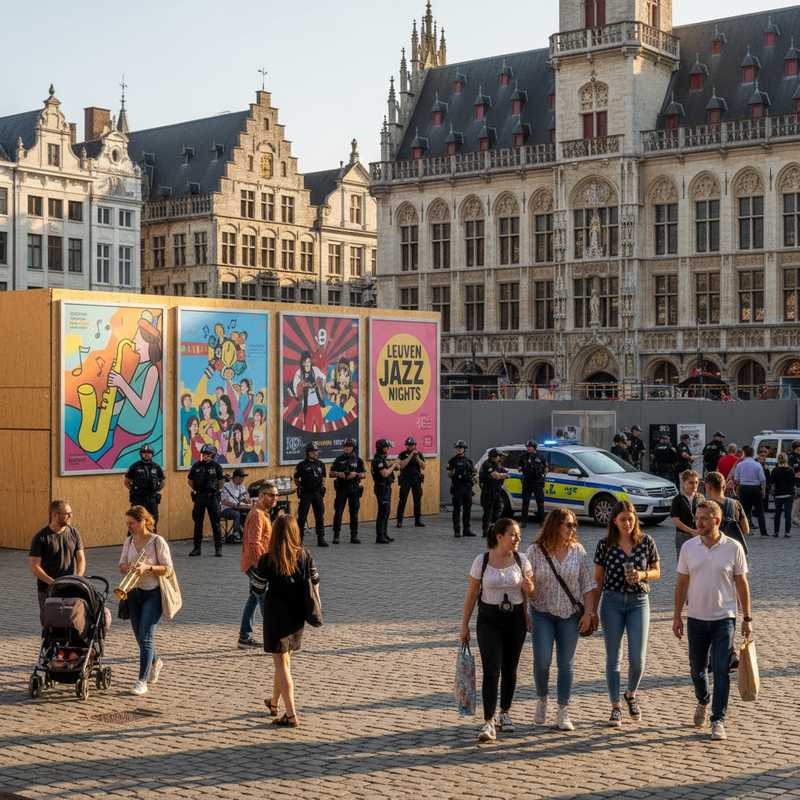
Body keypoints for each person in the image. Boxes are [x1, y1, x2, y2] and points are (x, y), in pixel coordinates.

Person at [673, 500, 752, 741]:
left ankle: (718, 719)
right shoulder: (689, 547)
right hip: (696, 618)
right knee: (697, 670)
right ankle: (702, 700)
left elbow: (742, 583)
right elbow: (682, 583)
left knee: (721, 670)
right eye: (697, 518)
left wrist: (747, 617)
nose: (698, 522)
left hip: (723, 619)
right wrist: (677, 615)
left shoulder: (733, 548)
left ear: (716, 521)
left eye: (703, 519)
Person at [459, 518, 534, 743]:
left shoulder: (522, 560)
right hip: (488, 620)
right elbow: (472, 594)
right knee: (492, 669)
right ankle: (488, 720)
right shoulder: (481, 561)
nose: (517, 539)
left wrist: (530, 592)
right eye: (513, 534)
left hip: (515, 620)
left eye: (518, 534)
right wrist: (464, 624)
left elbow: (530, 592)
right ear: (499, 537)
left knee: (510, 668)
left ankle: (505, 712)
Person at [526, 508, 596, 731]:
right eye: (569, 524)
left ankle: (563, 710)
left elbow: (587, 584)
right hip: (542, 612)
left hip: (569, 615)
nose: (573, 529)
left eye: (574, 525)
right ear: (555, 525)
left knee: (565, 664)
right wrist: (528, 597)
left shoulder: (578, 551)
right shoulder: (535, 551)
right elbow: (525, 584)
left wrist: (589, 612)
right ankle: (542, 698)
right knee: (542, 661)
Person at [594, 502, 660, 727]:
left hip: (639, 601)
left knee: (638, 659)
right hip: (612, 601)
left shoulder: (646, 541)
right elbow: (598, 580)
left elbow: (657, 571)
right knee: (613, 657)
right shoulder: (605, 544)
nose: (628, 523)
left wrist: (642, 575)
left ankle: (630, 693)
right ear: (614, 521)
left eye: (631, 519)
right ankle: (614, 706)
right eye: (623, 519)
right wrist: (591, 610)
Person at [251, 515, 320, 728]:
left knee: (281, 664)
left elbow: (258, 588)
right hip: (297, 615)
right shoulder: (304, 555)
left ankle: (291, 715)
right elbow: (316, 582)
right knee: (284, 661)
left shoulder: (267, 558)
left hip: (276, 614)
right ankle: (273, 703)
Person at [118, 505, 173, 696]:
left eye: (132, 523)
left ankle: (142, 680)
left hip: (153, 593)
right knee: (139, 636)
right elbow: (121, 564)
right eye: (127, 524)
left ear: (143, 521)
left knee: (146, 635)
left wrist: (148, 567)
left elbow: (167, 569)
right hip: (133, 592)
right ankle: (156, 661)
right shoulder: (128, 541)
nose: (129, 527)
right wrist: (129, 567)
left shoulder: (157, 541)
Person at [29, 501, 85, 623]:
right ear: (54, 515)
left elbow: (81, 558)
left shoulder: (74, 533)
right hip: (48, 589)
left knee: (70, 622)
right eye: (67, 514)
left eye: (71, 513)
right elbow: (35, 566)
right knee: (49, 624)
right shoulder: (41, 537)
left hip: (70, 587)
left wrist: (78, 578)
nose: (71, 516)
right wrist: (53, 582)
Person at [238, 483, 278, 649]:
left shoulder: (263, 513)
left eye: (276, 495)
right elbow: (254, 544)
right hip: (257, 565)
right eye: (271, 495)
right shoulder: (257, 516)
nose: (275, 498)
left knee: (253, 598)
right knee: (265, 600)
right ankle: (273, 638)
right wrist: (263, 567)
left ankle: (244, 637)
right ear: (261, 496)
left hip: (255, 563)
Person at [188, 443, 225, 557]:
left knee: (216, 524)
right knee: (198, 523)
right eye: (204, 454)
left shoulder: (217, 467)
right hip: (200, 497)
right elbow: (190, 480)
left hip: (212, 497)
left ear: (213, 455)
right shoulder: (196, 466)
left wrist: (214, 491)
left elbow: (221, 482)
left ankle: (218, 549)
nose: (205, 456)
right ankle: (196, 548)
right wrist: (197, 490)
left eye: (208, 454)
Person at [703, 472, 750, 553]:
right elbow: (746, 530)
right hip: (734, 549)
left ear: (708, 487)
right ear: (724, 486)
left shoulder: (705, 507)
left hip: (714, 550)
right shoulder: (736, 504)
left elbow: (701, 532)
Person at [330, 438, 366, 544]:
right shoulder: (338, 459)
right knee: (338, 512)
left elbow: (363, 474)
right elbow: (331, 473)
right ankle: (336, 536)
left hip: (354, 488)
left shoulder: (358, 460)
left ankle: (354, 536)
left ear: (353, 448)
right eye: (345, 446)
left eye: (349, 446)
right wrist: (338, 474)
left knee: (354, 513)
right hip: (341, 489)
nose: (347, 448)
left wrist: (355, 474)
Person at [294, 443, 328, 547]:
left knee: (320, 516)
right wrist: (301, 486)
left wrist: (322, 486)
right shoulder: (302, 465)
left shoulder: (321, 464)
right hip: (306, 494)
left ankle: (321, 538)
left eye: (316, 451)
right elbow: (296, 478)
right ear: (308, 452)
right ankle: (299, 540)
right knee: (302, 517)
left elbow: (323, 478)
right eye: (313, 451)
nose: (315, 453)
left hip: (317, 493)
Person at [124, 445, 165, 524]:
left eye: (149, 453)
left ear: (152, 454)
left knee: (152, 523)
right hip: (138, 500)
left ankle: (151, 537)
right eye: (144, 453)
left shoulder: (156, 467)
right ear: (141, 454)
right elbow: (126, 482)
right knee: (136, 522)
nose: (146, 454)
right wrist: (134, 491)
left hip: (152, 500)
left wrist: (155, 490)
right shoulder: (134, 466)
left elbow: (162, 482)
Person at [733, 445, 767, 537]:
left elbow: (737, 479)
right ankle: (763, 532)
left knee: (744, 511)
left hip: (744, 488)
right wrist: (763, 490)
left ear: (744, 453)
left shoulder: (740, 464)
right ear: (753, 454)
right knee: (760, 511)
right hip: (755, 488)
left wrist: (737, 489)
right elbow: (762, 479)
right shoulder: (757, 464)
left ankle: (744, 530)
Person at [670, 470, 704, 558]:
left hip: (699, 534)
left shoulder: (701, 498)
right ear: (684, 483)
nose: (694, 485)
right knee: (683, 562)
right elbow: (675, 521)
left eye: (696, 482)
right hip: (683, 535)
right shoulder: (677, 499)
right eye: (691, 483)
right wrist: (691, 531)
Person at [448, 440, 476, 538]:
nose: (459, 449)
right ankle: (457, 530)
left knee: (467, 510)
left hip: (467, 487)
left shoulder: (469, 461)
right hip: (457, 487)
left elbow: (474, 474)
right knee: (456, 509)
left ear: (464, 449)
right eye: (457, 448)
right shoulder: (452, 460)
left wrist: (473, 479)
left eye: (461, 448)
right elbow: (449, 474)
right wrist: (453, 472)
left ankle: (466, 530)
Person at [371, 439, 397, 544]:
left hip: (386, 487)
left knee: (386, 511)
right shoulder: (378, 460)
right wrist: (394, 466)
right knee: (382, 512)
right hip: (381, 488)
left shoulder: (382, 459)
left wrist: (391, 464)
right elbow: (385, 474)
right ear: (382, 448)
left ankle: (385, 533)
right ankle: (380, 536)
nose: (388, 449)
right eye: (386, 447)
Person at [396, 437, 426, 528]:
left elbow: (423, 466)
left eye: (412, 445)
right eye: (408, 445)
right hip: (405, 480)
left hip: (416, 480)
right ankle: (399, 521)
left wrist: (417, 458)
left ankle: (418, 520)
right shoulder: (402, 454)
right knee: (402, 500)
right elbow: (401, 466)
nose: (410, 447)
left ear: (415, 445)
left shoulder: (419, 454)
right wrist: (410, 455)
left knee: (417, 501)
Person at [479, 449, 508, 536]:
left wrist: (502, 475)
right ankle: (485, 531)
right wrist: (502, 475)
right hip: (488, 492)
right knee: (488, 513)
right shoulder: (487, 464)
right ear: (494, 456)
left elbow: (507, 473)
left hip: (497, 492)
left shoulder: (497, 465)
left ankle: (494, 530)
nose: (500, 458)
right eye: (499, 456)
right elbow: (495, 475)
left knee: (497, 512)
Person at [520, 440, 547, 527]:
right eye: (527, 447)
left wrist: (543, 474)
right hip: (527, 482)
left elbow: (546, 468)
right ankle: (523, 522)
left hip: (537, 482)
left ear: (534, 447)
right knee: (525, 502)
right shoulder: (523, 456)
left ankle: (542, 521)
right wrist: (521, 468)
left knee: (540, 502)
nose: (528, 448)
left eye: (530, 447)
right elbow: (519, 466)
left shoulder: (540, 456)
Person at [221, 468, 253, 544]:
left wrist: (247, 499)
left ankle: (247, 534)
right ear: (236, 478)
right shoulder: (226, 486)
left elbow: (245, 498)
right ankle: (236, 534)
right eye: (241, 478)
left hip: (238, 508)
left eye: (243, 478)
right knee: (236, 514)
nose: (242, 480)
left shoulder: (241, 486)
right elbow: (224, 501)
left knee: (250, 512)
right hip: (226, 509)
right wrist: (235, 505)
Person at [770, 453, 794, 538]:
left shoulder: (775, 470)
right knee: (788, 515)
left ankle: (776, 532)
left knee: (777, 514)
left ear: (778, 460)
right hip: (788, 495)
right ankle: (787, 532)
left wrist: (773, 491)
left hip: (778, 495)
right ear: (786, 459)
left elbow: (772, 483)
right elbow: (792, 483)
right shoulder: (790, 470)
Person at [788, 440, 800, 526]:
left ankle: (796, 517)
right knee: (797, 500)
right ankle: (794, 518)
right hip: (795, 482)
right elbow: (789, 470)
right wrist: (795, 474)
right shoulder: (791, 457)